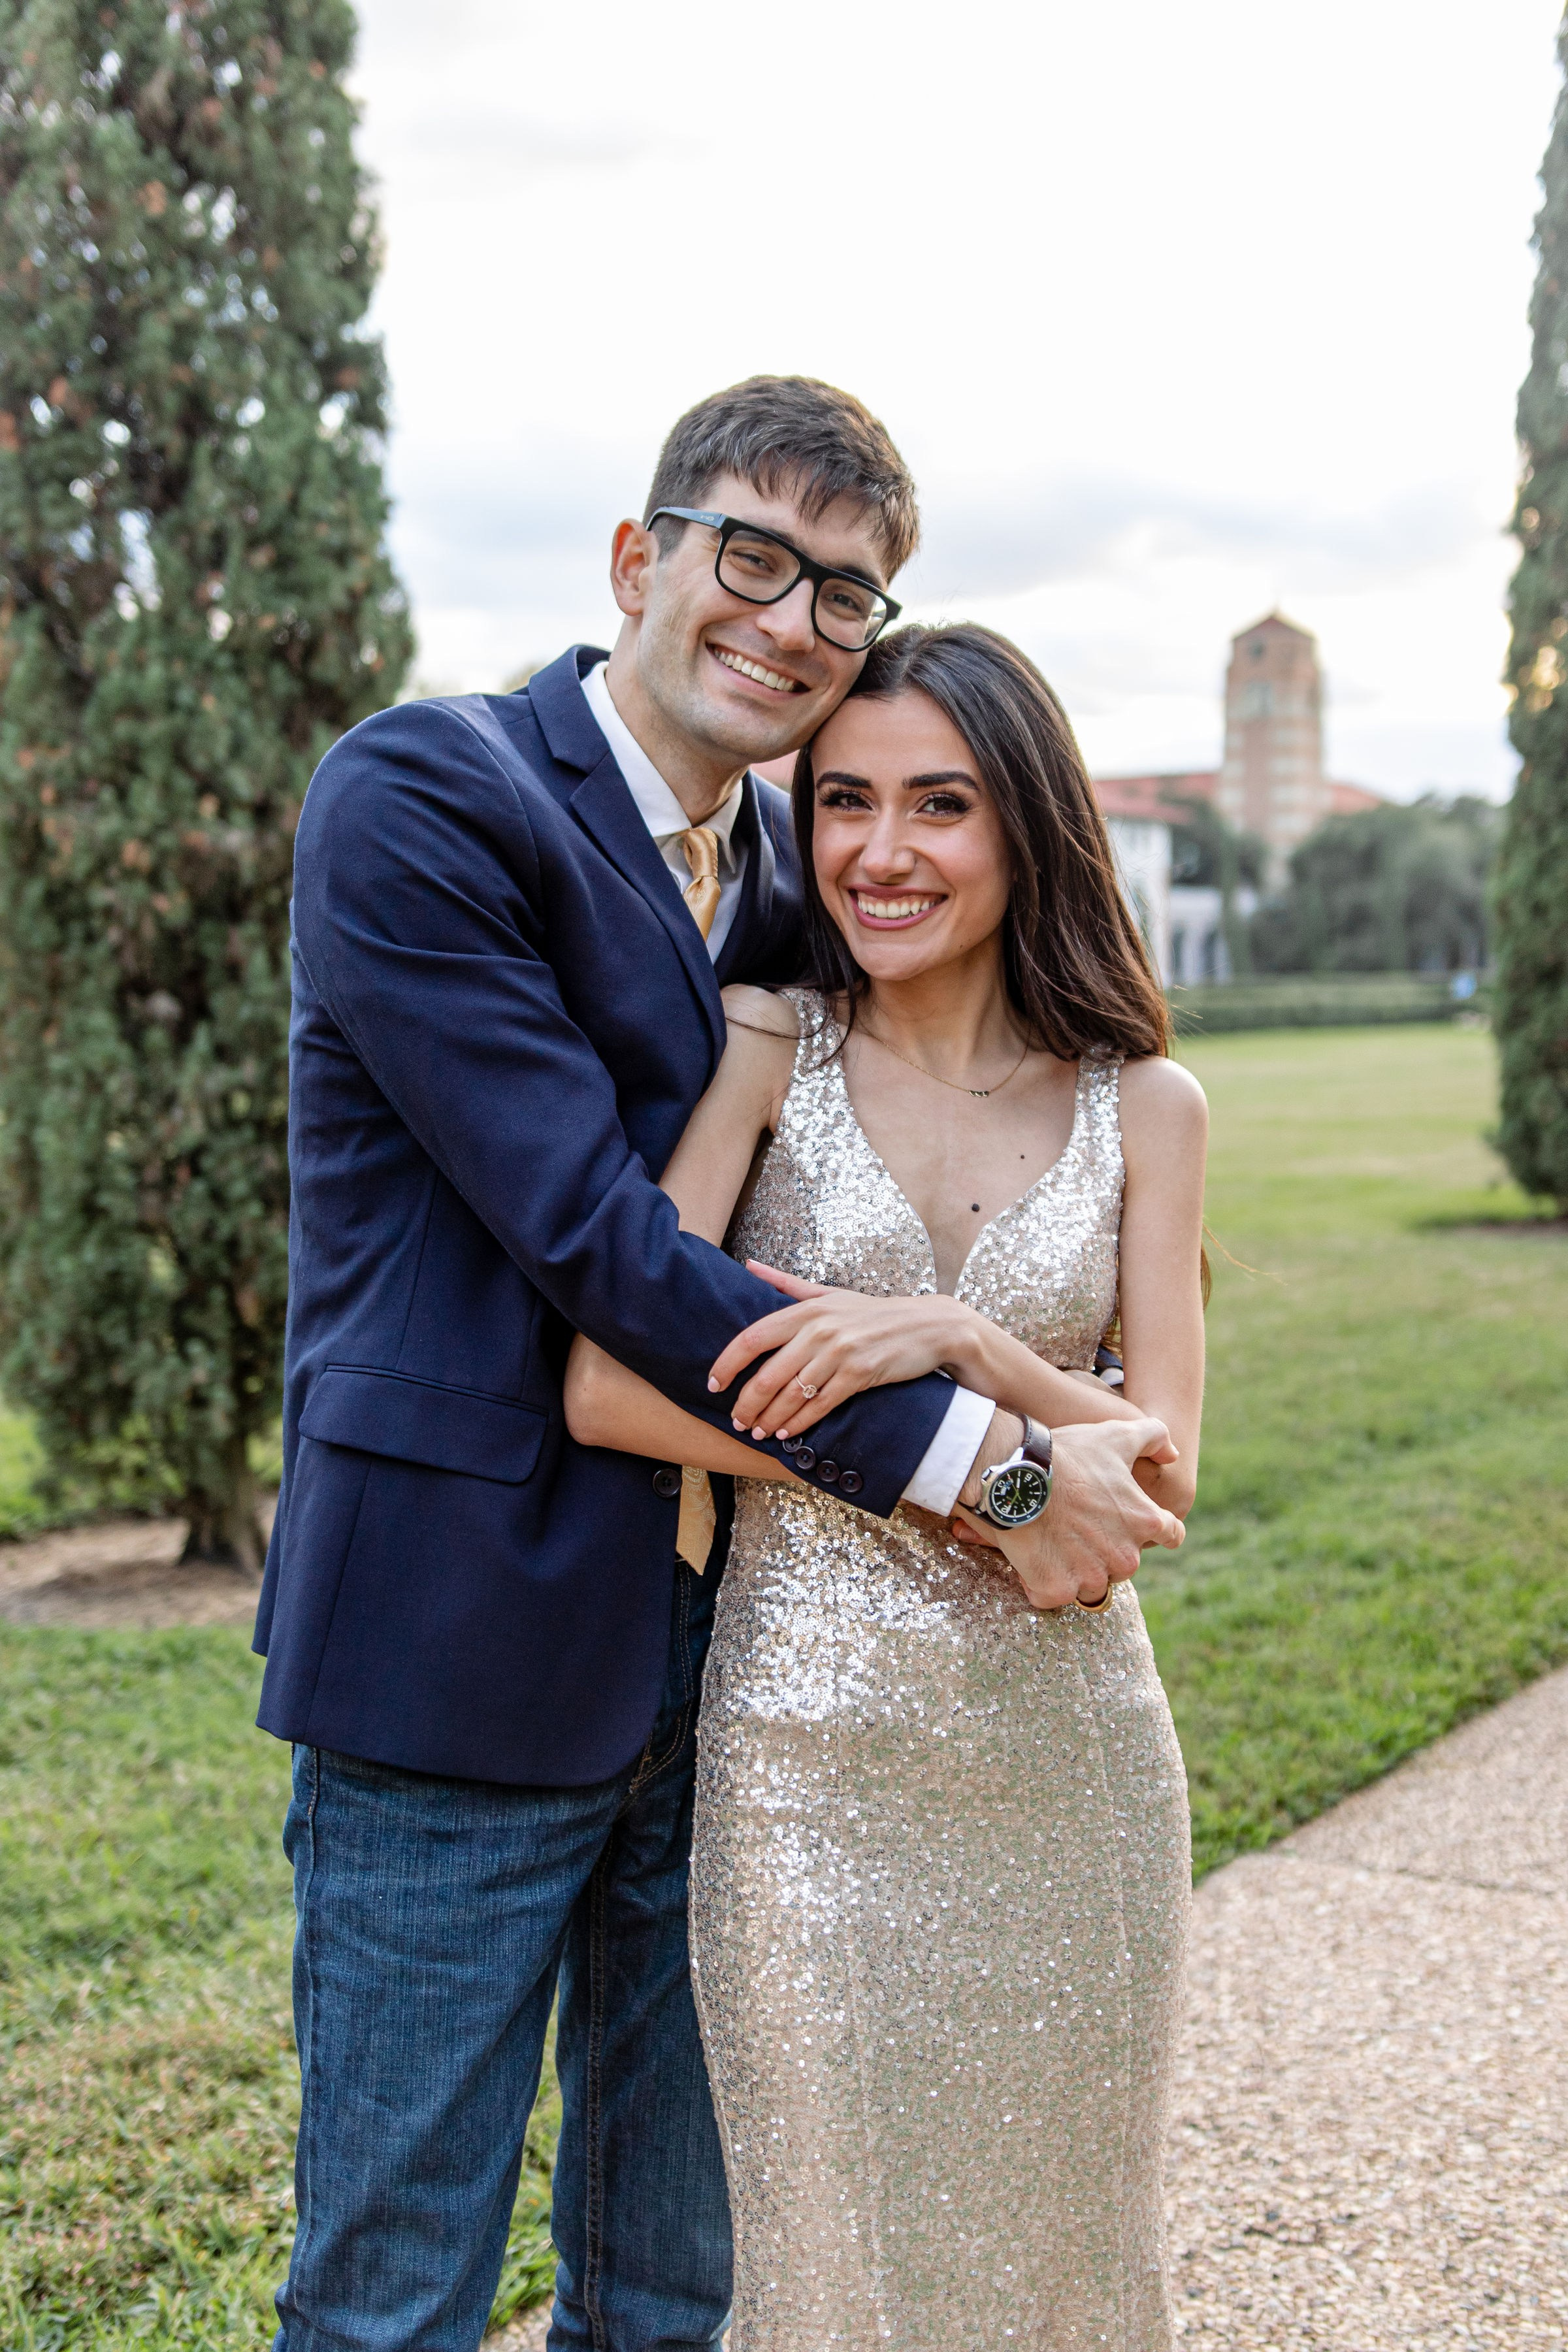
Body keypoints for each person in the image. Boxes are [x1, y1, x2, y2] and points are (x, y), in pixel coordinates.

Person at [257, 375, 1183, 2352]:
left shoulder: (787, 869)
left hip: (743, 1686)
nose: (790, 618)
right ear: (636, 559)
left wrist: (977, 1308)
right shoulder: (428, 799)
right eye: (750, 555)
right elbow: (602, 1251)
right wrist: (987, 1464)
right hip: (457, 1645)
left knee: (678, 2283)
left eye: (844, 591)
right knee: (394, 2294)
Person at [564, 621, 1205, 2349]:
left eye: (941, 805)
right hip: (807, 1774)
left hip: (1075, 1777)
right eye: (843, 801)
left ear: (1028, 830)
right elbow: (617, 1382)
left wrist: (959, 1346)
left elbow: (1153, 1485)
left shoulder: (1148, 1105)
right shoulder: (768, 1047)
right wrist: (976, 1477)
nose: (880, 852)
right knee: (827, 2267)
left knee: (1068, 2258)